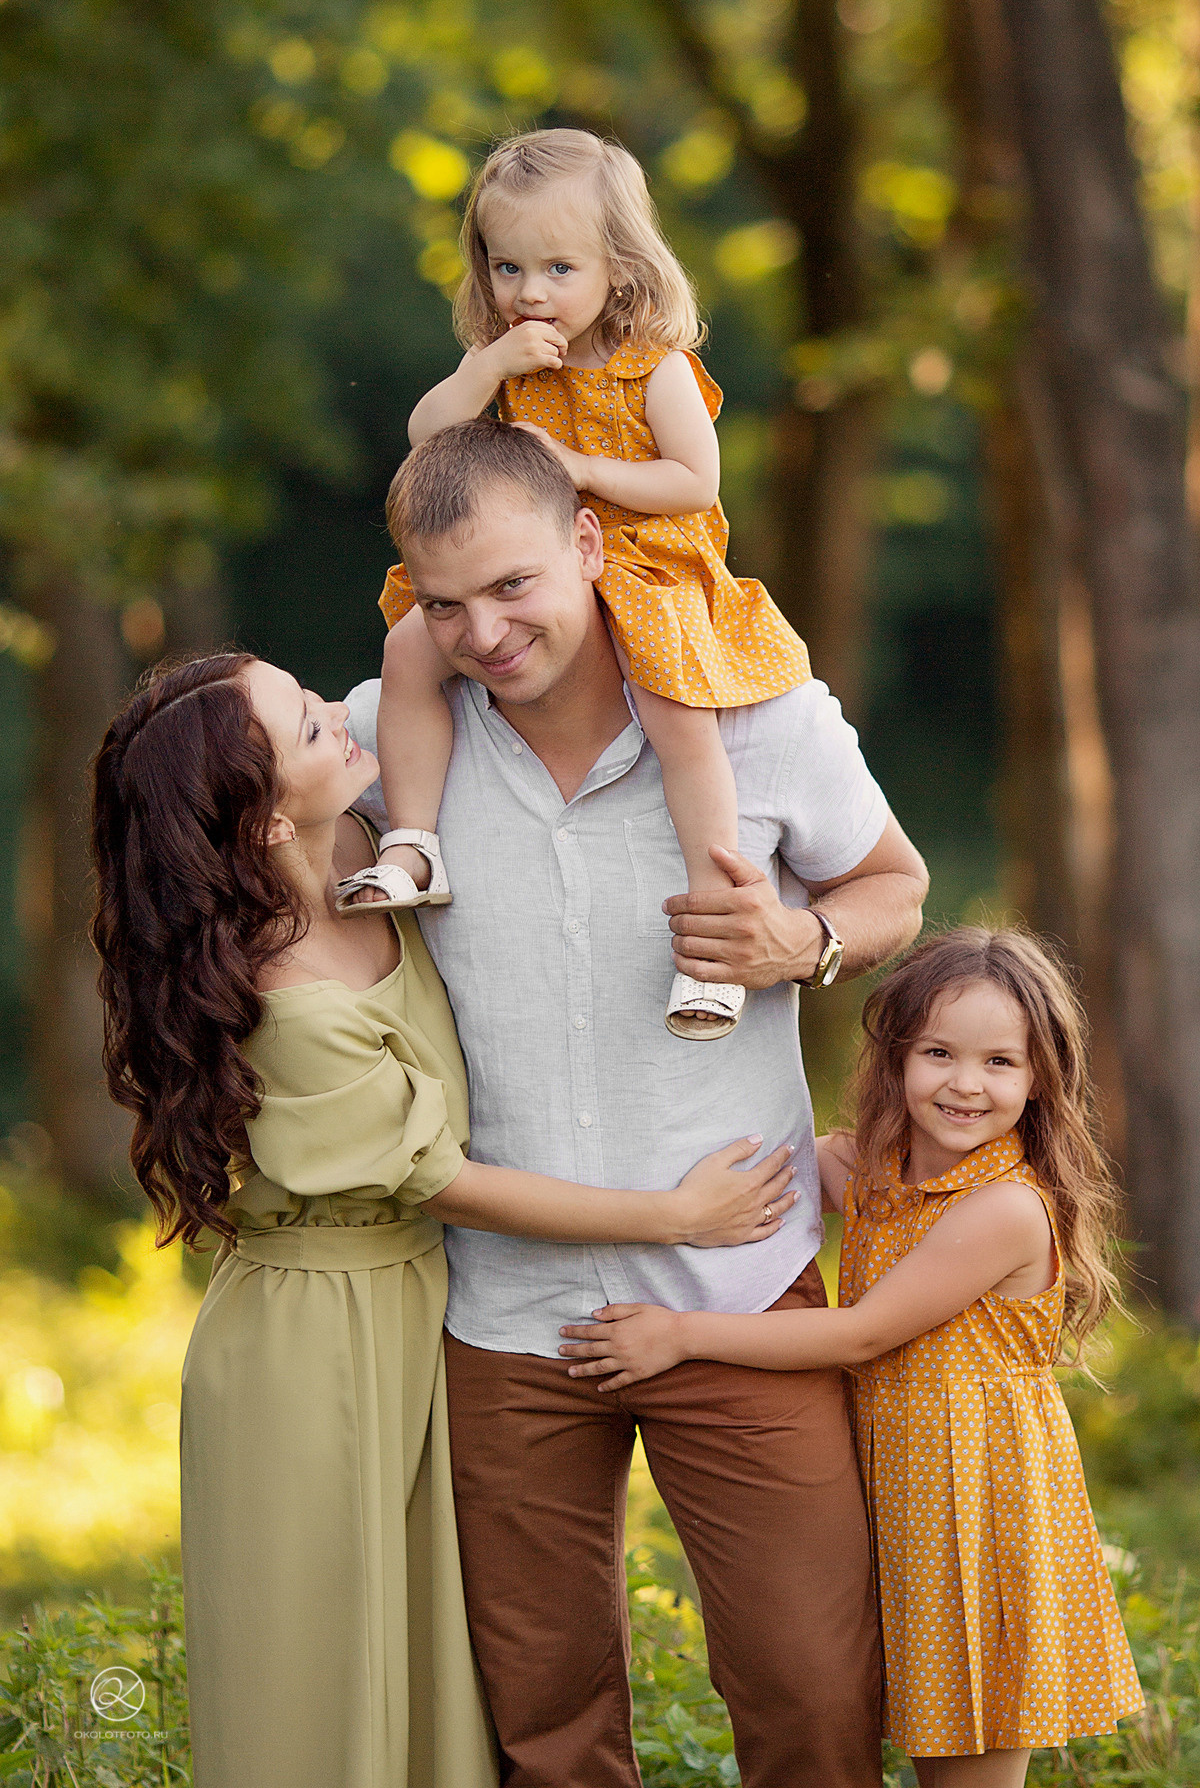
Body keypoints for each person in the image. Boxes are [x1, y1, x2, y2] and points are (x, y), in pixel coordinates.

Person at [88, 651, 799, 1788]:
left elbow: (417, 659)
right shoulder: (284, 998)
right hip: (314, 1341)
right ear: (266, 818)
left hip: (421, 1306)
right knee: (319, 1669)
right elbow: (446, 1177)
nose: (338, 716)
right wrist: (671, 1213)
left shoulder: (372, 856)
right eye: (308, 727)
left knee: (435, 1662)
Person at [345, 414, 930, 1788]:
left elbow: (892, 885)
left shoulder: (760, 715)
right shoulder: (384, 743)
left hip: (739, 1280)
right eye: (444, 605)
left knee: (808, 1683)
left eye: (512, 587)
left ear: (591, 544)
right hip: (502, 1311)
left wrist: (808, 943)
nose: (484, 632)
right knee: (541, 1716)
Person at [559, 927, 1146, 1788]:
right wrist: (685, 1207)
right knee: (894, 1723)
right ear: (899, 1055)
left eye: (999, 1063)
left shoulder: (1004, 1209)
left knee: (964, 1762)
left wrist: (678, 1333)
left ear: (1040, 1079)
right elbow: (781, 1162)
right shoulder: (879, 1166)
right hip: (898, 1494)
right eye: (939, 1052)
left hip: (976, 1505)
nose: (964, 1084)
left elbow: (860, 1333)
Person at [341, 127, 812, 1039]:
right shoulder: (509, 359)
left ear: (620, 270)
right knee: (408, 647)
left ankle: (714, 922)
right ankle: (415, 841)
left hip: (645, 560)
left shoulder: (654, 369)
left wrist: (581, 468)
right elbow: (427, 433)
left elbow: (694, 483)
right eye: (509, 268)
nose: (530, 293)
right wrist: (488, 369)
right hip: (534, 575)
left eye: (559, 268)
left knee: (678, 712)